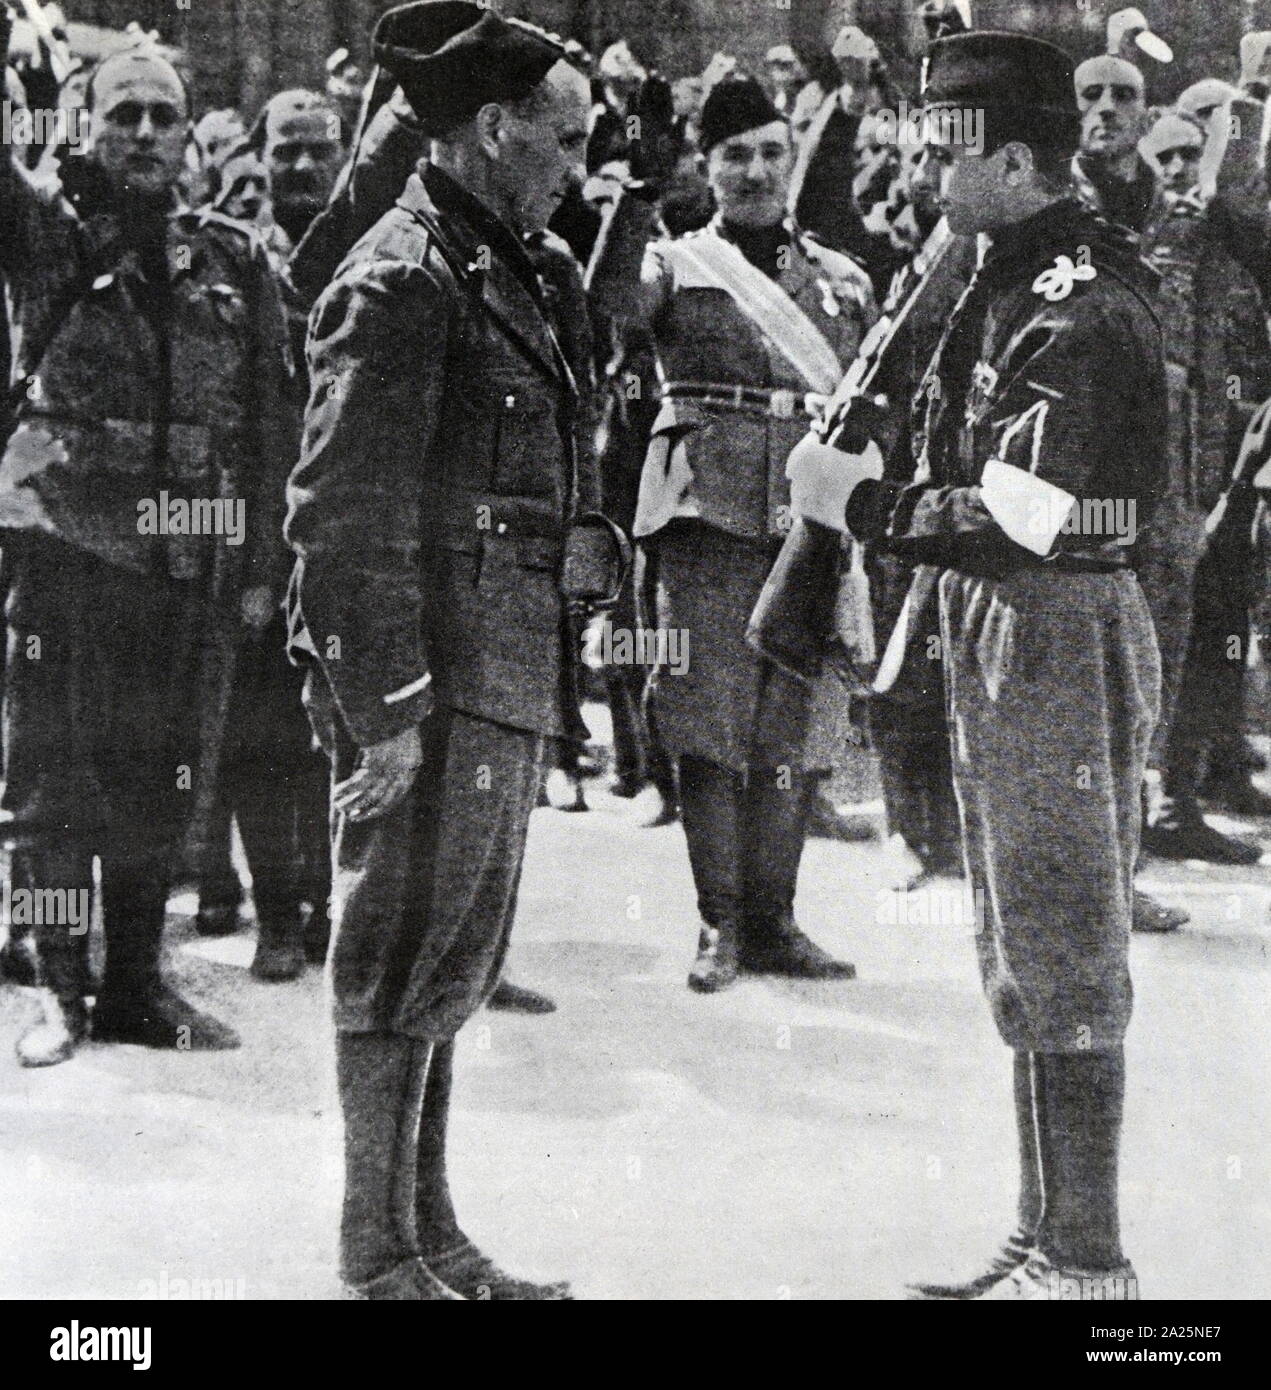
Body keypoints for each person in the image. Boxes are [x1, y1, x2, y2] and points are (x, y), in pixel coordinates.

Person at [792, 31, 1166, 1299]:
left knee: (1060, 937)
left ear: (1011, 158)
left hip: (1051, 620)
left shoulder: (1072, 300)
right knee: (1017, 937)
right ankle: (1039, 1232)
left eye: (942, 151)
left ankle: (1085, 1260)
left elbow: (1023, 508)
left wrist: (864, 505)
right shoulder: (1004, 275)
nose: (919, 172)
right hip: (1009, 620)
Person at [286, 0, 622, 1298]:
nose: (575, 167)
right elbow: (338, 515)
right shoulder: (401, 274)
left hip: (496, 664)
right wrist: (390, 706)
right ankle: (376, 1250)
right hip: (430, 678)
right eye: (565, 140)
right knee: (395, 941)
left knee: (453, 947)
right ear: (494, 129)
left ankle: (428, 1229)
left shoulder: (504, 260)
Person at [0, 32, 295, 1065]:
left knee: (165, 781)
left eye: (160, 117)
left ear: (186, 141)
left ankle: (134, 982)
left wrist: (260, 566)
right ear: (87, 127)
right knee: (50, 784)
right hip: (66, 551)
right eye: (120, 115)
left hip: (187, 559)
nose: (141, 134)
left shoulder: (235, 259)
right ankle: (60, 991)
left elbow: (268, 421)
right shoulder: (49, 238)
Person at [587, 75, 874, 993]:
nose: (754, 171)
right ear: (706, 170)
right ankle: (719, 926)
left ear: (792, 161)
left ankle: (775, 920)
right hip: (704, 512)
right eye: (733, 156)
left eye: (769, 153)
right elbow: (609, 313)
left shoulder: (839, 281)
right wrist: (634, 194)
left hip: (810, 514)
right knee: (708, 722)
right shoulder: (673, 263)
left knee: (795, 726)